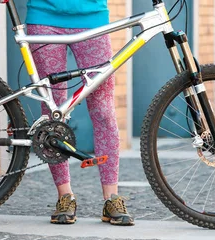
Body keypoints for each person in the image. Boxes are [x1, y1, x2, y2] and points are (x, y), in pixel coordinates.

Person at [26, 0, 134, 226]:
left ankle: (111, 198)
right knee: (53, 112)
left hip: (92, 19)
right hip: (44, 17)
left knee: (103, 110)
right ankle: (65, 196)